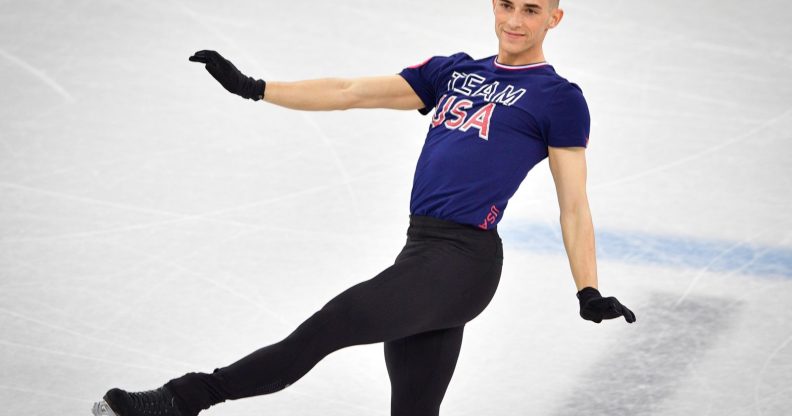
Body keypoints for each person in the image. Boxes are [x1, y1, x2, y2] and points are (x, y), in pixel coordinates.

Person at [92, 1, 636, 415]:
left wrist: (587, 288)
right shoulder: (453, 71)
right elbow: (351, 90)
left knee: (330, 326)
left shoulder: (557, 97)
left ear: (554, 19)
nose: (514, 19)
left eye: (531, 9)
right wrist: (255, 88)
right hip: (420, 253)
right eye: (506, 3)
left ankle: (179, 400)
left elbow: (574, 206)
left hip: (462, 263)